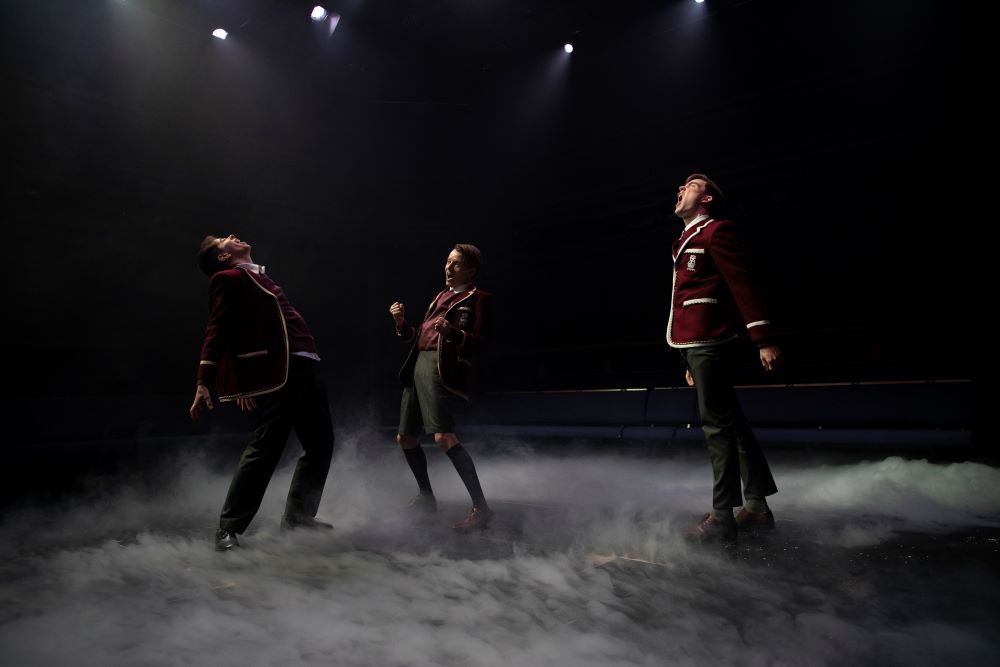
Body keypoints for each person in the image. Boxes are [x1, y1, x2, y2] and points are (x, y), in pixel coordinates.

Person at [190, 234, 334, 551]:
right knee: (266, 447)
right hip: (279, 374)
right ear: (223, 257)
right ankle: (228, 529)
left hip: (303, 365)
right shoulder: (226, 279)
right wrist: (206, 380)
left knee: (320, 446)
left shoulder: (258, 276)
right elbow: (220, 329)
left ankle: (298, 519)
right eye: (223, 239)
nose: (232, 236)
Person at [666, 174, 783, 543]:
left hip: (711, 339)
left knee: (716, 427)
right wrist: (686, 362)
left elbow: (742, 283)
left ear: (708, 199)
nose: (681, 189)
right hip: (695, 342)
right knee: (732, 424)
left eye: (691, 186)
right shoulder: (686, 239)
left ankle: (721, 516)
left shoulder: (717, 231)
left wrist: (762, 337)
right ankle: (757, 507)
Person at [388, 244, 494, 531]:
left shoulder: (479, 298)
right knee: (405, 438)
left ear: (470, 270)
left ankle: (481, 508)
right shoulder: (440, 296)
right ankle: (426, 496)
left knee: (443, 437)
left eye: (456, 264)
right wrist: (400, 323)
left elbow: (481, 341)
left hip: (439, 367)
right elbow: (418, 337)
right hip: (417, 366)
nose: (448, 268)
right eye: (448, 262)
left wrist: (454, 333)